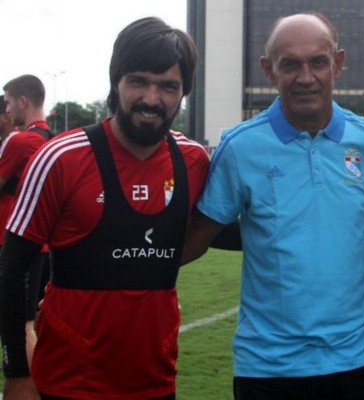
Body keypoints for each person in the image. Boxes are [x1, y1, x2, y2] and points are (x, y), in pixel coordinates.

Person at [183, 12, 364, 400]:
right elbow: (195, 239)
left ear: (337, 63)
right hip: (268, 368)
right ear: (269, 70)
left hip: (361, 361)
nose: (306, 77)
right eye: (290, 65)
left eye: (318, 62)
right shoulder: (240, 148)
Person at [0, 17, 208, 399]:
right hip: (67, 384)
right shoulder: (60, 158)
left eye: (168, 86)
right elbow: (12, 269)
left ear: (184, 92)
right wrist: (16, 374)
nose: (152, 99)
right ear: (116, 81)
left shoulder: (194, 161)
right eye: (138, 81)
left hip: (156, 384)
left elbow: (219, 228)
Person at [1, 76, 55, 368]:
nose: (7, 109)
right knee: (33, 322)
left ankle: (26, 384)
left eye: (9, 102)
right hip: (44, 245)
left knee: (21, 326)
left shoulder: (22, 140)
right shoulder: (53, 139)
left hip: (16, 241)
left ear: (23, 101)